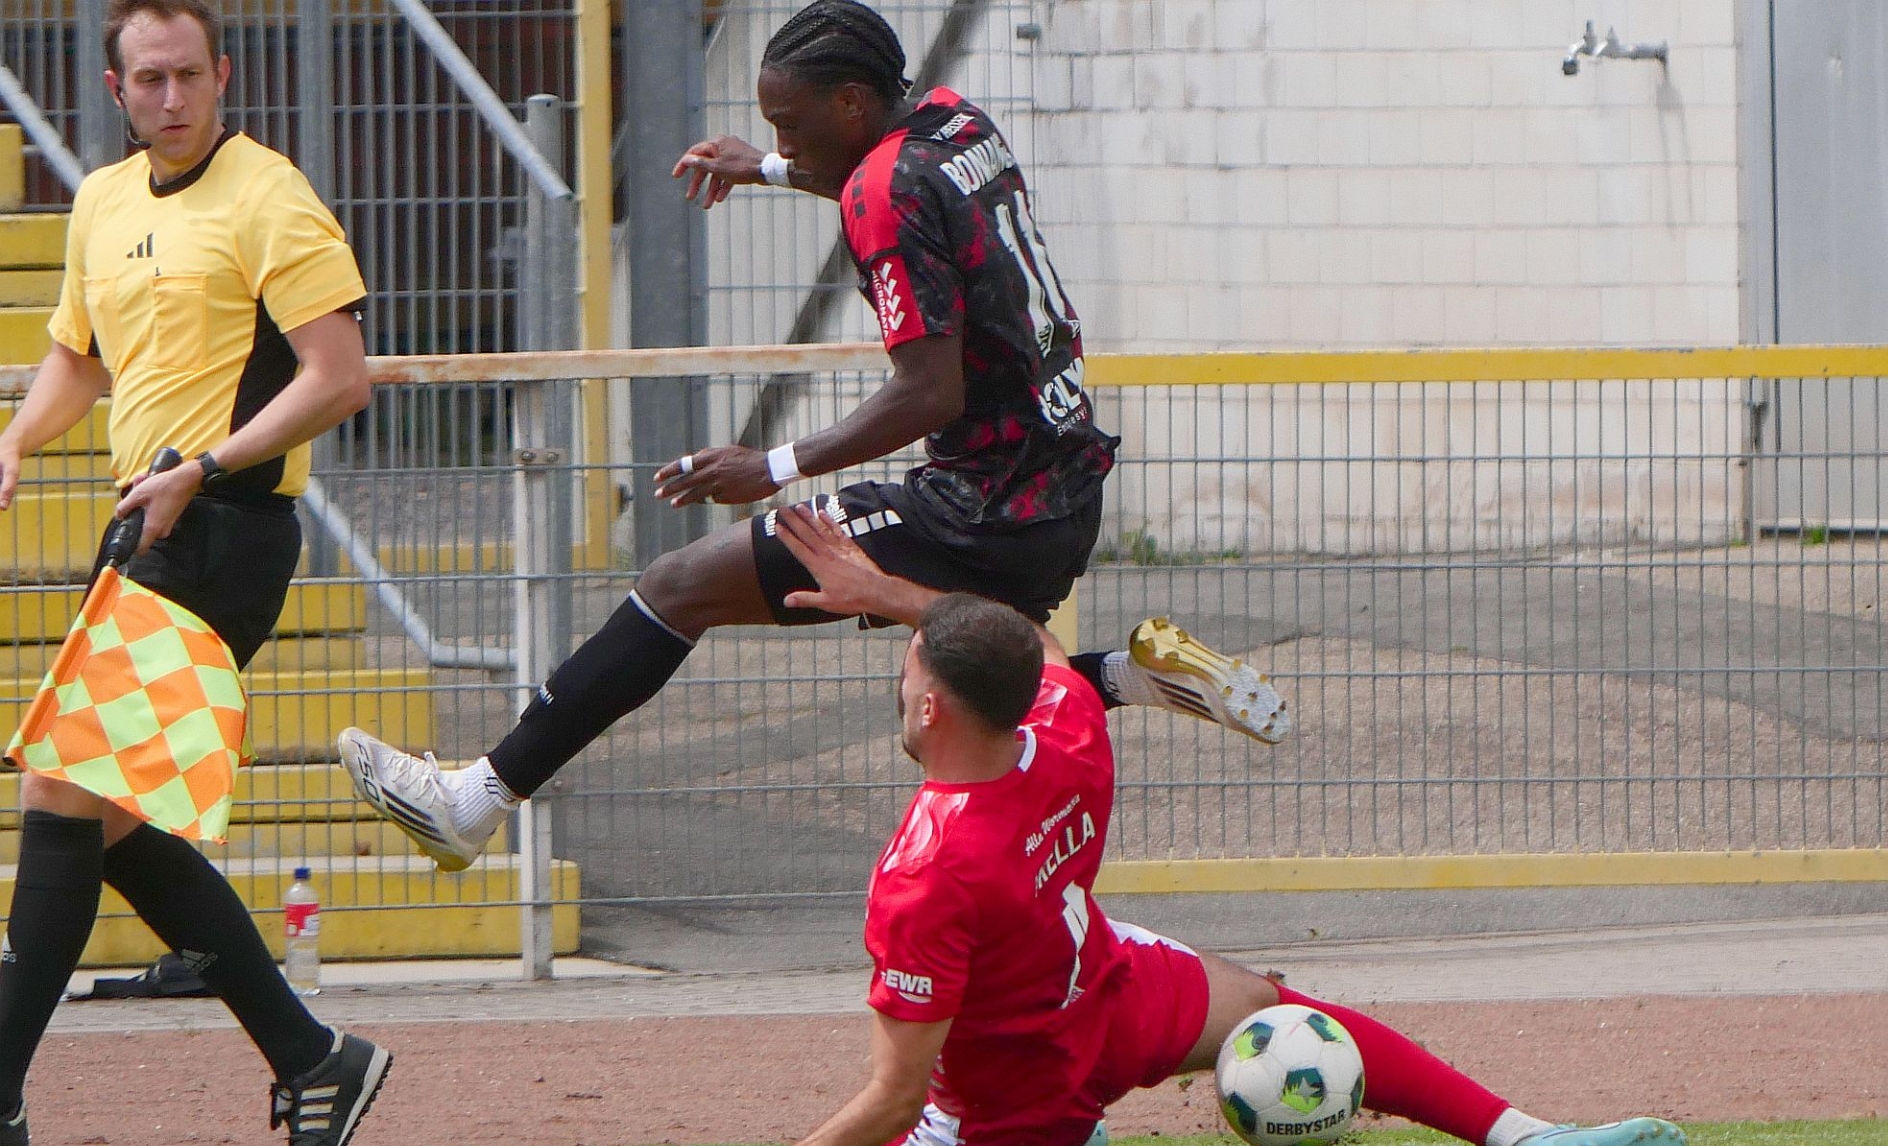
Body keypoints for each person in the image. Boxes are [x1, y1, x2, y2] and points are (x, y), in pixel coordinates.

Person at [338, 0, 1287, 871]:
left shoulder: (881, 190)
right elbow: (890, 183)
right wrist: (767, 167)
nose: (780, 137)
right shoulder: (956, 122)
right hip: (1061, 486)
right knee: (958, 692)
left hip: (979, 506)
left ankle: (476, 799)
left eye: (789, 123)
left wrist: (773, 464)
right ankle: (1129, 677)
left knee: (678, 586)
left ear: (851, 102)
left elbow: (929, 391)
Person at [607, 506, 1689, 1146]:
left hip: (1014, 1105)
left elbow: (895, 1094)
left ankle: (1066, 1135)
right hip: (1115, 994)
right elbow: (1029, 643)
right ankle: (1527, 1136)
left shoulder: (922, 871)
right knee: (1272, 1003)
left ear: (932, 707)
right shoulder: (1067, 724)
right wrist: (890, 595)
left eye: (905, 670)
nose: (898, 681)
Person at [0, 0, 390, 1146]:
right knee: (109, 823)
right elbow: (79, 356)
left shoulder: (271, 196)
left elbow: (339, 377)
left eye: (188, 76)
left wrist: (203, 467)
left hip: (223, 529)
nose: (171, 99)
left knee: (63, 789)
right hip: (146, 526)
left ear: (223, 74)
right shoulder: (103, 200)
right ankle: (312, 1055)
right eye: (149, 80)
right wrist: (16, 439)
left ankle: (0, 1100)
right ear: (115, 89)